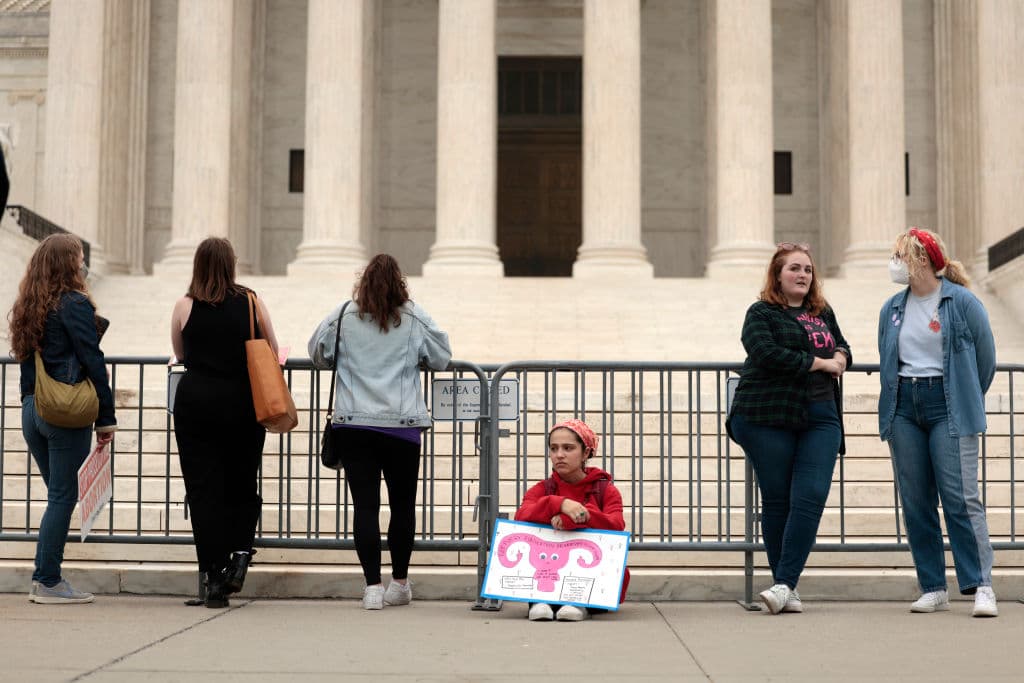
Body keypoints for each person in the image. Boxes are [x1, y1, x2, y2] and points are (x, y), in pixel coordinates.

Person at [308, 254, 451, 610]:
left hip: (355, 425)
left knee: (365, 507)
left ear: (364, 282)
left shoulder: (344, 314)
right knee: (403, 506)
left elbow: (318, 353)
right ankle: (399, 583)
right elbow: (441, 357)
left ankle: (372, 586)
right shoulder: (414, 316)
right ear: (400, 283)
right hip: (401, 426)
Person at [878, 227, 998, 617]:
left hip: (948, 404)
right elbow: (887, 357)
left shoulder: (962, 302)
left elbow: (986, 360)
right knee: (916, 501)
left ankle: (981, 583)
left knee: (961, 497)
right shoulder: (892, 308)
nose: (894, 264)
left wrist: (964, 396)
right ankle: (932, 585)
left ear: (922, 260)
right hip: (904, 408)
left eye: (900, 256)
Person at [726, 242, 851, 614]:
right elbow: (764, 352)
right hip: (768, 413)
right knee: (778, 499)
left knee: (810, 495)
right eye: (794, 268)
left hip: (822, 414)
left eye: (808, 270)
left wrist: (841, 356)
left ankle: (783, 583)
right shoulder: (761, 312)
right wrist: (819, 363)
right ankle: (786, 584)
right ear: (777, 275)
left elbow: (842, 346)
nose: (802, 275)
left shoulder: (821, 311)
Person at [170, 237, 279, 608]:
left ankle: (214, 578)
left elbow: (181, 354)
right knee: (242, 484)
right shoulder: (250, 301)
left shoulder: (185, 306)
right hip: (242, 403)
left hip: (196, 403)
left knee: (203, 491)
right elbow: (273, 351)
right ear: (231, 264)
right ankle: (241, 555)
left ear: (198, 264)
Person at [8, 233, 117, 604]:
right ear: (69, 264)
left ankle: (47, 577)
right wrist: (106, 417)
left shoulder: (28, 305)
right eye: (80, 258)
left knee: (59, 495)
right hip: (63, 411)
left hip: (32, 409)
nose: (84, 264)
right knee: (62, 497)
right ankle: (48, 580)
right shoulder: (73, 303)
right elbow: (92, 360)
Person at [513, 419, 629, 622]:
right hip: (548, 572)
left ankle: (577, 602)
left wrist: (577, 518)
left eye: (568, 448)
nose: (559, 455)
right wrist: (559, 503)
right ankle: (542, 601)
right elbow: (521, 517)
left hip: (590, 575)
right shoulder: (543, 489)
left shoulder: (606, 490)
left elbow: (616, 527)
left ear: (586, 453)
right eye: (554, 448)